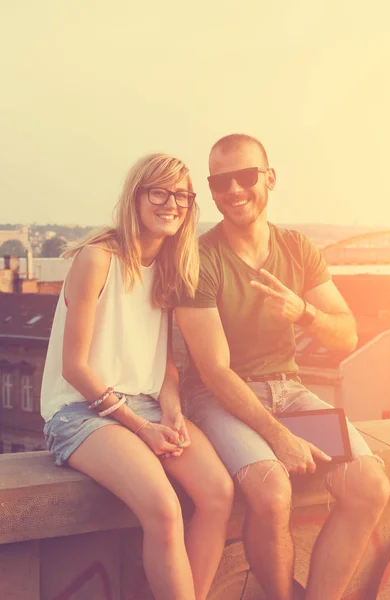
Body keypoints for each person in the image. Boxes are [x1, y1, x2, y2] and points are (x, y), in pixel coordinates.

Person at [175, 134, 390, 600]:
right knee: (272, 493)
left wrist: (304, 313)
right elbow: (213, 372)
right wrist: (280, 436)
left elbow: (347, 335)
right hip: (219, 400)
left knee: (370, 484)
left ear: (269, 179)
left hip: (289, 392)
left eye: (245, 176)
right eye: (220, 181)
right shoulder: (200, 258)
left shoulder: (297, 248)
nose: (233, 190)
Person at [40, 153, 234, 600]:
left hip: (145, 404)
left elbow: (164, 361)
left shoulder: (172, 264)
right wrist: (143, 428)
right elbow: (76, 367)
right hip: (81, 411)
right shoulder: (98, 258)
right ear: (137, 196)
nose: (171, 203)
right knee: (164, 509)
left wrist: (172, 411)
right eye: (159, 192)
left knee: (219, 494)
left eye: (181, 195)